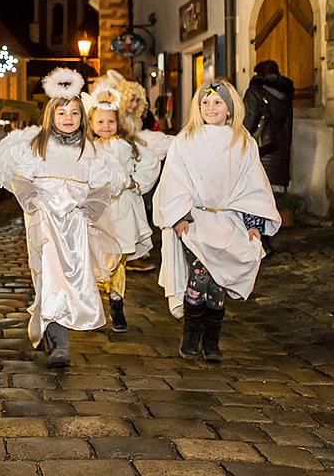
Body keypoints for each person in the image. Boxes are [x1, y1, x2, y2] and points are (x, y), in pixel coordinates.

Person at [0, 68, 125, 368]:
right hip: (46, 224)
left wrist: (90, 208)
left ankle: (56, 331)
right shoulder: (36, 146)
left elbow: (103, 185)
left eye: (74, 113)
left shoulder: (89, 150)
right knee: (49, 278)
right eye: (62, 112)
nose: (68, 117)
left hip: (75, 227)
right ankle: (58, 341)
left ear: (82, 118)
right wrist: (32, 199)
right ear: (51, 115)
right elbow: (21, 179)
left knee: (73, 280)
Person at [154, 80, 280, 363]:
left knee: (218, 284)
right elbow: (175, 179)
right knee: (199, 278)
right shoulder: (186, 140)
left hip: (228, 222)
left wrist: (252, 223)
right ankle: (190, 336)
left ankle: (211, 340)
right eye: (205, 102)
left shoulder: (242, 142)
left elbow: (253, 184)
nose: (211, 108)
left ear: (230, 108)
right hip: (197, 223)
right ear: (198, 107)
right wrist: (180, 217)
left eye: (217, 102)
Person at [85, 86, 160, 332]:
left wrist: (134, 183)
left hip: (122, 209)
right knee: (96, 255)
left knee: (119, 257)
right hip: (98, 210)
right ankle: (95, 299)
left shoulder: (127, 146)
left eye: (110, 121)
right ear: (91, 123)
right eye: (100, 121)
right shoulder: (87, 148)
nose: (105, 125)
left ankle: (116, 300)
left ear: (118, 122)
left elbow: (149, 163)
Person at [243, 60, 294, 191]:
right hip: (281, 149)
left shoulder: (255, 92)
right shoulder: (287, 94)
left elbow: (248, 122)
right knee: (278, 196)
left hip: (261, 149)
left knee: (257, 194)